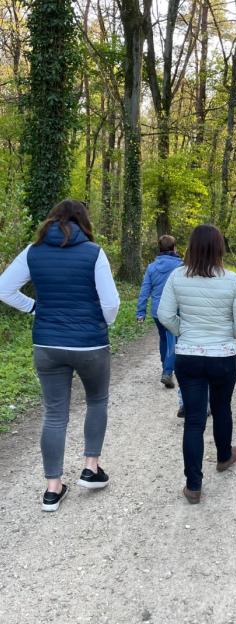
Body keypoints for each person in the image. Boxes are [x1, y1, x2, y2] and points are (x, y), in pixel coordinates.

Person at [0, 199, 120, 512]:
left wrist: (35, 308)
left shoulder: (33, 251)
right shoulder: (94, 252)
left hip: (48, 345)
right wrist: (99, 323)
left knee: (54, 414)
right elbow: (111, 303)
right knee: (96, 401)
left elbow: (4, 288)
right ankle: (90, 469)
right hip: (90, 345)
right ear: (84, 222)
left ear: (51, 219)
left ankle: (53, 490)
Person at [158, 224, 236, 504]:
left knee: (195, 420)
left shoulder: (177, 277)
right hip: (223, 356)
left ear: (191, 247)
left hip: (188, 356)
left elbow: (164, 314)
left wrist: (182, 333)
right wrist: (230, 336)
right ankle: (224, 457)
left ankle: (194, 485)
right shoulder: (232, 280)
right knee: (222, 407)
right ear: (219, 248)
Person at [136, 235, 183, 389]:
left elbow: (145, 290)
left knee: (164, 339)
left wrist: (141, 312)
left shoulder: (152, 267)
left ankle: (165, 368)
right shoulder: (180, 266)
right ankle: (168, 372)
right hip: (174, 309)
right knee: (173, 341)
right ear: (174, 248)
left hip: (157, 311)